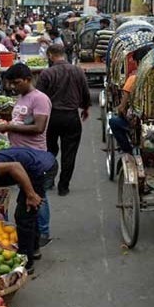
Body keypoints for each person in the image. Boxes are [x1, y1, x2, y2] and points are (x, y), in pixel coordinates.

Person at [0, 63, 52, 245]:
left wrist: (9, 126)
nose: (13, 87)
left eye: (17, 82)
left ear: (28, 79)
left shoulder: (39, 99)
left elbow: (39, 127)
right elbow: (22, 120)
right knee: (28, 192)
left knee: (36, 193)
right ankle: (36, 231)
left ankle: (43, 232)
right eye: (11, 83)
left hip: (34, 155)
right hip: (19, 155)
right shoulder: (22, 97)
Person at [35, 44, 90, 196]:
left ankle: (49, 179)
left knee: (49, 150)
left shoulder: (47, 73)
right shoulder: (77, 71)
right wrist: (85, 108)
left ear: (51, 55)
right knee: (69, 153)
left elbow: (38, 96)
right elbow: (85, 92)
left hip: (51, 117)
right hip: (71, 117)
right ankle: (63, 186)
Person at [108, 43, 154, 154]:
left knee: (113, 122)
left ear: (139, 62)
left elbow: (122, 107)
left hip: (139, 124)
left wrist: (120, 110)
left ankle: (127, 150)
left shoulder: (133, 79)